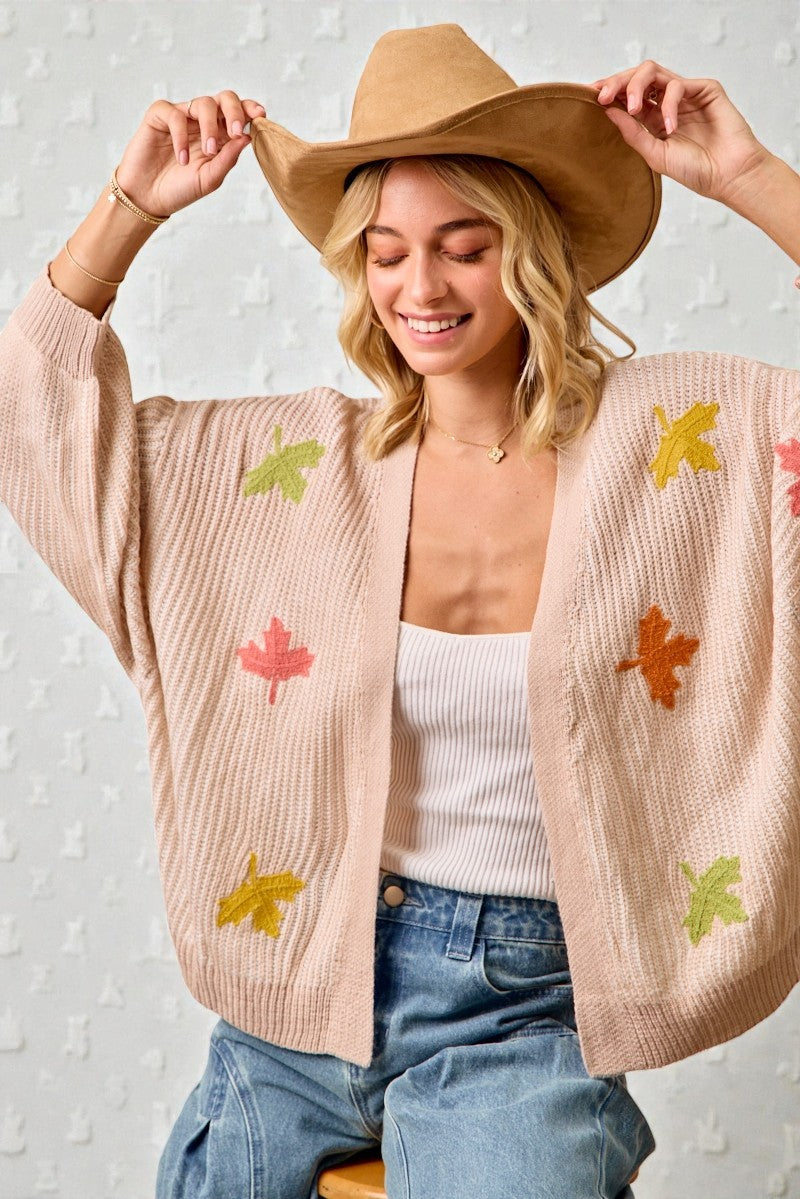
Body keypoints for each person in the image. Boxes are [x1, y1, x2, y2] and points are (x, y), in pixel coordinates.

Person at [1, 21, 799, 1199]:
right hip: (297, 1005)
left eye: (463, 247)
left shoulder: (679, 447)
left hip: (523, 1016)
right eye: (384, 253)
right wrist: (128, 208)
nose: (418, 288)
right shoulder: (294, 469)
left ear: (529, 250)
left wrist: (748, 176)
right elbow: (41, 424)